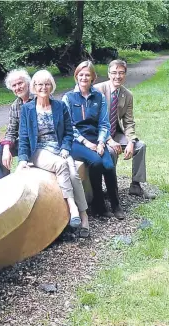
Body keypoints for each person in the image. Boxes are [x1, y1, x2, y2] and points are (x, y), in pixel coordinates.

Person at [17, 70, 90, 237]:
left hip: (59, 149)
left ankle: (84, 216)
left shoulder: (60, 106)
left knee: (73, 174)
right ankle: (73, 207)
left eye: (47, 84)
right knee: (61, 164)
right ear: (34, 87)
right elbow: (24, 137)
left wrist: (65, 147)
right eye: (40, 84)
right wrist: (22, 159)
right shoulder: (27, 109)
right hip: (39, 150)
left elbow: (69, 133)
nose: (44, 87)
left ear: (52, 86)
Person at [62, 61, 125, 219]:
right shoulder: (68, 98)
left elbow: (104, 123)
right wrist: (86, 143)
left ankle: (116, 204)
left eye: (87, 75)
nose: (84, 78)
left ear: (93, 78)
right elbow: (69, 126)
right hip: (76, 141)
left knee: (109, 163)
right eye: (81, 74)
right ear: (76, 76)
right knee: (96, 162)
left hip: (96, 138)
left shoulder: (99, 96)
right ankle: (99, 206)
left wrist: (102, 142)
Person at [94, 60, 155, 199]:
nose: (117, 76)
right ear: (109, 74)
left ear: (125, 75)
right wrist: (108, 140)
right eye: (114, 72)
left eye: (121, 73)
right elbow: (93, 120)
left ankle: (135, 185)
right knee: (111, 151)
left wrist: (131, 141)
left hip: (116, 132)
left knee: (140, 146)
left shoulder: (127, 95)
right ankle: (111, 189)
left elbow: (128, 122)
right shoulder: (98, 90)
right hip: (99, 135)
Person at [0, 69, 33, 179]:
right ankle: (3, 183)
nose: (17, 87)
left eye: (20, 83)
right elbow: (11, 131)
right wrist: (6, 148)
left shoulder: (38, 98)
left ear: (27, 83)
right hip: (24, 142)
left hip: (39, 142)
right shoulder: (15, 106)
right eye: (14, 85)